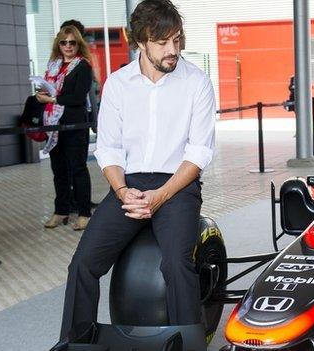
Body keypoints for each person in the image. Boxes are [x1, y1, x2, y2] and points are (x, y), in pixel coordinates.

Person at [57, 0, 215, 342]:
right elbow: (109, 148)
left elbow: (199, 151)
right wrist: (121, 191)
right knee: (83, 264)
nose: (172, 50)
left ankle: (188, 346)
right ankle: (76, 342)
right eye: (162, 42)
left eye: (177, 40)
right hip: (127, 185)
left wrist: (161, 196)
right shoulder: (118, 84)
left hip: (178, 186)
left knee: (177, 265)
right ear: (140, 42)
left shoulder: (197, 82)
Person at [38, 25, 93, 231]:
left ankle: (84, 213)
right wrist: (40, 95)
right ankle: (61, 211)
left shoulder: (82, 66)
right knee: (58, 170)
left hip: (74, 125)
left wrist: (52, 97)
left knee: (78, 169)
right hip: (53, 124)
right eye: (64, 42)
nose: (68, 46)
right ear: (58, 44)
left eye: (72, 42)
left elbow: (78, 98)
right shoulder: (53, 66)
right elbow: (48, 90)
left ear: (78, 44)